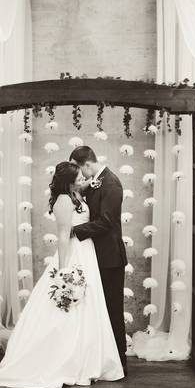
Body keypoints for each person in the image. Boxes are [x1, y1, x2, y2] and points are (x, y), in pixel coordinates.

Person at [0, 161, 124, 388]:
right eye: (79, 177)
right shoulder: (63, 201)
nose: (83, 179)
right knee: (69, 308)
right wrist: (63, 271)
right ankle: (65, 360)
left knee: (90, 306)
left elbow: (89, 188)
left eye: (83, 175)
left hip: (86, 252)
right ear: (69, 181)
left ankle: (88, 359)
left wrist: (93, 182)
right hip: (73, 254)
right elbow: (63, 236)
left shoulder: (76, 194)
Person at [68, 145, 129, 373]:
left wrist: (74, 231)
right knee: (98, 309)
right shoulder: (97, 180)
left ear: (86, 164)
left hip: (109, 257)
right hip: (95, 256)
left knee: (112, 308)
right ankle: (103, 356)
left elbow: (106, 222)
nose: (80, 174)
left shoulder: (111, 183)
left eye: (78, 168)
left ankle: (119, 359)